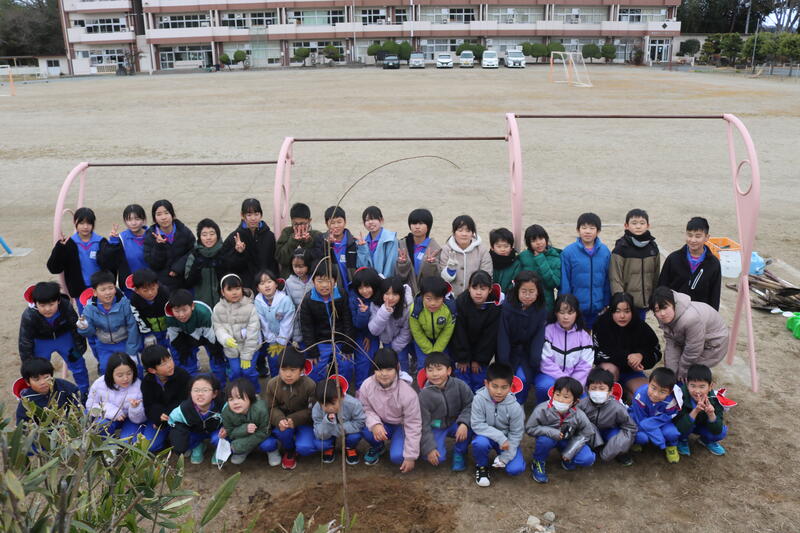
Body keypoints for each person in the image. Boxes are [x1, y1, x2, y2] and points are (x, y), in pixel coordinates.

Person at [19, 281, 89, 396]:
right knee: (39, 371)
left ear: (58, 300)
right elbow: (25, 340)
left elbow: (75, 327)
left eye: (51, 304)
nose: (47, 309)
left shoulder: (66, 306)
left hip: (65, 338)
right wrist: (28, 363)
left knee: (78, 364)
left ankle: (84, 392)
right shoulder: (29, 315)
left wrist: (79, 349)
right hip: (41, 342)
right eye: (42, 306)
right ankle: (45, 396)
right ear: (35, 303)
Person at [358, 348, 421, 472]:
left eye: (389, 369)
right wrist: (375, 424)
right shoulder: (367, 385)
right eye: (379, 369)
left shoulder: (408, 393)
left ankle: (402, 444)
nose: (384, 374)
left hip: (401, 426)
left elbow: (413, 424)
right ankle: (378, 446)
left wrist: (410, 456)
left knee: (398, 457)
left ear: (397, 368)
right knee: (363, 427)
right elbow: (365, 408)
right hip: (382, 423)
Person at [526, 376, 596, 483]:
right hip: (549, 438)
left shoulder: (579, 414)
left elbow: (587, 432)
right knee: (545, 441)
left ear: (576, 401)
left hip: (568, 440)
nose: (560, 399)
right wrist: (551, 432)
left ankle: (566, 458)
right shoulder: (542, 409)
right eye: (557, 394)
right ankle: (538, 461)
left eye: (566, 397)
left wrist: (570, 452)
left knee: (587, 458)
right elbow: (530, 428)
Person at [650, 287, 729, 382]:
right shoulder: (665, 317)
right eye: (657, 310)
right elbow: (672, 344)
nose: (662, 313)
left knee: (691, 373)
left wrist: (684, 370)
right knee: (674, 372)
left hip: (713, 343)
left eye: (665, 307)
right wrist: (671, 373)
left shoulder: (690, 319)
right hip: (690, 339)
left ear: (674, 303)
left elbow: (693, 349)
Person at [593, 292, 661, 396]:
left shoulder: (641, 327)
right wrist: (628, 358)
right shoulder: (601, 325)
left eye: (627, 311)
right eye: (617, 311)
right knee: (610, 373)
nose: (622, 316)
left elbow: (656, 351)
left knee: (644, 395)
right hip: (608, 369)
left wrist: (641, 356)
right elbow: (598, 354)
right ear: (611, 311)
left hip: (631, 372)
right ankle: (612, 395)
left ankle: (624, 391)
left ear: (632, 311)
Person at [47, 207, 114, 311]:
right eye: (81, 223)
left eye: (89, 223)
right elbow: (54, 268)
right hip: (80, 290)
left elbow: (112, 264)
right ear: (75, 223)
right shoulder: (69, 243)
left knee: (105, 314)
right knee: (86, 316)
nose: (85, 227)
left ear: (93, 224)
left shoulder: (101, 242)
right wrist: (60, 248)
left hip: (101, 288)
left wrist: (114, 244)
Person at [470, 362, 526, 487]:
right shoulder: (478, 399)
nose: (499, 392)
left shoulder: (515, 407)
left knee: (516, 469)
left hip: (507, 441)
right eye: (494, 386)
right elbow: (477, 424)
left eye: (504, 387)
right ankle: (482, 466)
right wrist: (500, 437)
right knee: (480, 443)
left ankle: (504, 457)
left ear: (511, 387)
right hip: (487, 436)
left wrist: (505, 457)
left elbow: (516, 433)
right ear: (486, 384)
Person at [496, 270, 547, 405]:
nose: (527, 296)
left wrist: (535, 358)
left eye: (532, 291)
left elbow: (538, 336)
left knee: (523, 378)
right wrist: (503, 360)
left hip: (527, 354)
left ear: (538, 292)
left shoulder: (541, 309)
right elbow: (503, 335)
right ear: (517, 290)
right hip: (510, 352)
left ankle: (521, 404)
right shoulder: (507, 307)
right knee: (511, 378)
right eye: (524, 291)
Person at [263, 346, 317, 470]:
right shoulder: (272, 384)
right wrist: (279, 419)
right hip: (284, 421)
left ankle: (299, 446)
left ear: (301, 370)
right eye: (283, 369)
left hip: (304, 422)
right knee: (282, 432)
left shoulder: (310, 385)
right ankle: (289, 450)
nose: (288, 374)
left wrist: (295, 419)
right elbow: (271, 407)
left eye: (293, 370)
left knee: (305, 448)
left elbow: (312, 410)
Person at [76, 270, 140, 374]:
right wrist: (84, 328)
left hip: (124, 342)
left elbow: (132, 327)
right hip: (104, 345)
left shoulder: (125, 304)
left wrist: (132, 352)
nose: (108, 292)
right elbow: (90, 333)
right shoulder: (89, 309)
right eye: (103, 289)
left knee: (134, 369)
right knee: (106, 371)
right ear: (95, 292)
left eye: (111, 288)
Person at [418, 352, 473, 472]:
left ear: (448, 370)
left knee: (469, 428)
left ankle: (459, 452)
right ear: (425, 373)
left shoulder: (460, 385)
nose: (435, 374)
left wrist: (464, 423)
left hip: (455, 422)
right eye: (430, 370)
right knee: (437, 458)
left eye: (439, 369)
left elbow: (470, 404)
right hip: (436, 425)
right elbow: (423, 424)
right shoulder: (424, 395)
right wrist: (430, 448)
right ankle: (430, 448)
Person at [535, 293, 594, 405]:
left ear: (577, 313)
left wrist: (573, 383)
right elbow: (545, 362)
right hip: (550, 376)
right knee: (544, 386)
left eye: (570, 313)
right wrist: (564, 380)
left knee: (583, 400)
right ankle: (542, 411)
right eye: (561, 312)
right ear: (556, 313)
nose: (566, 317)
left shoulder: (584, 336)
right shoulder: (547, 331)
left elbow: (585, 366)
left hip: (575, 380)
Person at [299, 267, 354, 382]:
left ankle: (342, 389)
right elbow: (307, 328)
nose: (324, 285)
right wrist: (312, 351)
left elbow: (347, 321)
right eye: (319, 281)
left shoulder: (341, 295)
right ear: (313, 281)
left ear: (335, 281)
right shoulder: (308, 299)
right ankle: (319, 390)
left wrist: (348, 345)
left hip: (340, 340)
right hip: (320, 341)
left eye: (328, 280)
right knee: (316, 368)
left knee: (346, 366)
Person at [451, 270, 502, 392]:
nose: (478, 292)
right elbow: (459, 332)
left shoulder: (495, 306)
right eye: (475, 288)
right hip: (463, 350)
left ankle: (479, 402)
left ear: (490, 290)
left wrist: (478, 360)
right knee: (463, 383)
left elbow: (489, 337)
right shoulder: (461, 302)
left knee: (479, 382)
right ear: (469, 288)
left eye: (483, 289)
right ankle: (464, 402)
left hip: (482, 354)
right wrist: (463, 358)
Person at [560, 212, 611, 330]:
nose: (587, 231)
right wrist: (566, 304)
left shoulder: (605, 252)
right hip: (576, 307)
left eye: (592, 228)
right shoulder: (568, 252)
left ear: (598, 231)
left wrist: (606, 302)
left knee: (596, 336)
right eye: (584, 228)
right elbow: (565, 281)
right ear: (578, 230)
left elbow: (607, 280)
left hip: (598, 307)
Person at [658, 216, 721, 310]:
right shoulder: (673, 258)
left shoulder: (713, 264)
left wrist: (712, 315)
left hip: (700, 314)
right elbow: (662, 286)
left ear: (707, 237)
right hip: (675, 312)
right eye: (689, 235)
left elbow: (714, 295)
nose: (693, 240)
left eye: (698, 236)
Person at [165, 289, 227, 383]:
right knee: (185, 359)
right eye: (177, 311)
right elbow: (174, 338)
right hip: (184, 335)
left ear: (192, 306)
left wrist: (215, 351)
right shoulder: (170, 318)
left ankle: (219, 384)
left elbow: (212, 337)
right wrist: (183, 351)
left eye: (184, 310)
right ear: (172, 309)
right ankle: (191, 383)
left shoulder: (204, 313)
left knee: (216, 358)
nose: (181, 315)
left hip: (206, 334)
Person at [578, 368, 637, 466]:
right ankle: (593, 449)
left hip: (609, 430)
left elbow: (630, 427)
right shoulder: (581, 404)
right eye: (593, 388)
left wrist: (618, 445)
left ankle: (619, 453)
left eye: (602, 389)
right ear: (587, 389)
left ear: (610, 391)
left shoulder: (617, 407)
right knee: (585, 428)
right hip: (590, 433)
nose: (597, 392)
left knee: (617, 437)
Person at [212, 274, 261, 390]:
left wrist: (247, 355)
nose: (234, 293)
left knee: (248, 372)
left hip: (250, 347)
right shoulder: (218, 309)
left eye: (237, 288)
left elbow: (253, 334)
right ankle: (235, 393)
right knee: (235, 372)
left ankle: (254, 392)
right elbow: (218, 327)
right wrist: (225, 339)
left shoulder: (250, 307)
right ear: (222, 292)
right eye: (230, 289)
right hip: (231, 348)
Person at [610, 209, 661, 320]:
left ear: (648, 225)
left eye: (642, 223)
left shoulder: (653, 248)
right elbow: (615, 278)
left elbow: (656, 276)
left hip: (645, 303)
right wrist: (621, 302)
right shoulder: (621, 249)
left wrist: (653, 297)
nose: (638, 226)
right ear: (626, 225)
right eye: (634, 223)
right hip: (627, 304)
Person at [303, 377, 366, 464]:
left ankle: (349, 447)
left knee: (355, 436)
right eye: (325, 404)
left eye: (333, 403)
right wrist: (327, 422)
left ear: (342, 397)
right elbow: (319, 433)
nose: (330, 408)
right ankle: (330, 446)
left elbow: (359, 423)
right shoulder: (317, 408)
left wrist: (337, 429)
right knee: (320, 443)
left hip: (348, 430)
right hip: (328, 432)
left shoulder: (354, 404)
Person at [140, 344, 191, 452]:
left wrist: (166, 414)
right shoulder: (147, 382)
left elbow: (184, 400)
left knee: (180, 446)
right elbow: (149, 405)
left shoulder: (182, 375)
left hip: (179, 417)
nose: (169, 365)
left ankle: (174, 435)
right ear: (152, 370)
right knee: (151, 446)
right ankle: (166, 435)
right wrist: (158, 416)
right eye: (163, 364)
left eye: (170, 359)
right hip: (160, 418)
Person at [86, 352, 146, 441]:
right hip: (109, 417)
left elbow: (140, 419)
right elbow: (90, 405)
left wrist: (135, 408)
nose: (125, 378)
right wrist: (114, 413)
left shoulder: (138, 386)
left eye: (129, 373)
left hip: (130, 419)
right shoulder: (99, 384)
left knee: (128, 441)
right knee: (101, 425)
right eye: (120, 375)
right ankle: (109, 444)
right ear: (111, 374)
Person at [222, 198, 278, 291]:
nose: (253, 218)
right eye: (249, 215)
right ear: (242, 215)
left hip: (266, 286)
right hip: (245, 288)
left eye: (256, 214)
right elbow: (228, 266)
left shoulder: (269, 236)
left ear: (261, 215)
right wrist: (239, 253)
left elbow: (273, 263)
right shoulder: (234, 238)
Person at [218, 377, 276, 465]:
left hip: (263, 436)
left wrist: (240, 445)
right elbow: (230, 432)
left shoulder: (261, 409)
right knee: (224, 440)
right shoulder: (226, 412)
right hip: (242, 437)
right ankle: (245, 451)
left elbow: (266, 431)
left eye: (239, 398)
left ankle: (272, 451)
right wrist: (244, 429)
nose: (235, 402)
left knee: (269, 444)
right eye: (231, 399)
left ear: (250, 397)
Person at [674, 364, 728, 457]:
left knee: (721, 432)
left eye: (702, 386)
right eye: (693, 386)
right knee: (680, 429)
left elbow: (717, 430)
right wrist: (695, 411)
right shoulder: (679, 397)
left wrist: (711, 414)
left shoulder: (716, 399)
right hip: (687, 426)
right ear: (687, 383)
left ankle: (706, 441)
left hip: (702, 426)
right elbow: (678, 428)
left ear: (710, 386)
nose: (697, 391)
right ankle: (682, 440)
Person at [629, 367, 681, 463]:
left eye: (663, 391)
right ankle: (636, 442)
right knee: (641, 437)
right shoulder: (640, 395)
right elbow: (640, 419)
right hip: (640, 420)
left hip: (661, 422)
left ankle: (671, 446)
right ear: (648, 383)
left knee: (672, 433)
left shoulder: (672, 401)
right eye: (653, 388)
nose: (656, 394)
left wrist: (654, 427)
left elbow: (668, 417)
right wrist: (658, 437)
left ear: (669, 392)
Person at [168, 374, 224, 463]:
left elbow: (233, 420)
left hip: (216, 431)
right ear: (190, 393)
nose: (200, 394)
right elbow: (172, 421)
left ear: (214, 393)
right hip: (196, 432)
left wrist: (226, 428)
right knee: (182, 438)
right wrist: (180, 435)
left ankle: (220, 452)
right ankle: (197, 446)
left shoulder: (223, 406)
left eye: (205, 390)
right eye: (196, 390)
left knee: (220, 437)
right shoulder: (183, 409)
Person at [142, 199, 195, 293]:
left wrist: (179, 267)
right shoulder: (150, 236)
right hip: (163, 286)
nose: (163, 217)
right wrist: (159, 246)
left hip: (184, 282)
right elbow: (153, 264)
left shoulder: (184, 231)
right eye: (159, 214)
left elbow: (194, 250)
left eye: (166, 213)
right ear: (154, 218)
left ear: (172, 215)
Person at [368, 276, 413, 379]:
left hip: (401, 341)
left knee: (402, 361)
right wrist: (384, 312)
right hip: (386, 340)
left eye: (395, 294)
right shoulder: (376, 305)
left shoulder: (407, 305)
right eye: (387, 294)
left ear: (401, 295)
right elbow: (374, 331)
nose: (391, 298)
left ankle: (404, 383)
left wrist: (395, 347)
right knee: (389, 365)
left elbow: (406, 331)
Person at [409, 275, 456, 373]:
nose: (433, 303)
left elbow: (447, 332)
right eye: (428, 299)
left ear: (443, 297)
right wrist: (429, 351)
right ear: (422, 296)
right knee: (423, 365)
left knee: (442, 364)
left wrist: (436, 351)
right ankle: (425, 382)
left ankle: (445, 382)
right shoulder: (415, 310)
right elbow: (417, 332)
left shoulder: (450, 309)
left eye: (437, 299)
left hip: (441, 340)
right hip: (423, 340)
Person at [15, 357, 82, 425]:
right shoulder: (27, 401)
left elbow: (78, 399)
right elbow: (22, 425)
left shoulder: (63, 386)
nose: (43, 382)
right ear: (27, 382)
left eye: (46, 377)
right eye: (37, 379)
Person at [254, 269, 295, 378]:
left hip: (286, 339)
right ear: (258, 288)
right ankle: (275, 383)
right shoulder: (258, 302)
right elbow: (263, 323)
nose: (266, 285)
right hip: (270, 340)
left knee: (286, 362)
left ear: (276, 284)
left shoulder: (285, 300)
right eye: (262, 283)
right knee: (273, 360)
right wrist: (272, 340)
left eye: (269, 281)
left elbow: (287, 323)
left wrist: (282, 341)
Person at [439, 215, 493, 297]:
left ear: (473, 233)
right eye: (460, 230)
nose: (464, 234)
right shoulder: (446, 250)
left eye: (468, 231)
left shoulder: (482, 251)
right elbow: (442, 279)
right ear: (454, 232)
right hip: (451, 297)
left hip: (474, 298)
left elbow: (487, 277)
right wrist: (450, 271)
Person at [185, 218, 231, 308]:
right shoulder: (194, 255)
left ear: (217, 235)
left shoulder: (224, 252)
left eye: (212, 234)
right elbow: (188, 282)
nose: (208, 238)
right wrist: (197, 267)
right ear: (199, 237)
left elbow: (231, 279)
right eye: (204, 235)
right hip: (201, 304)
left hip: (224, 303)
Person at [395, 208, 441, 295]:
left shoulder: (435, 249)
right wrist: (402, 264)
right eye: (414, 223)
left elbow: (434, 277)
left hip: (426, 294)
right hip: (406, 294)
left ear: (428, 226)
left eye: (421, 223)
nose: (417, 227)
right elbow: (400, 276)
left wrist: (430, 265)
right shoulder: (402, 245)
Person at [348, 267, 382, 381]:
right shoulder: (354, 299)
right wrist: (363, 313)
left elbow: (380, 320)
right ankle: (361, 387)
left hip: (373, 333)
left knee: (373, 358)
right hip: (359, 333)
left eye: (367, 286)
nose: (364, 291)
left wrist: (370, 335)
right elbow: (357, 324)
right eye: (360, 287)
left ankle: (373, 383)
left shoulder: (379, 295)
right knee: (363, 360)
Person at [107, 204, 149, 296]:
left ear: (144, 220)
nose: (133, 223)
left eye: (137, 219)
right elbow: (112, 261)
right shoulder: (121, 239)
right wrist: (113, 242)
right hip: (131, 288)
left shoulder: (153, 235)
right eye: (129, 220)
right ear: (125, 222)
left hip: (152, 284)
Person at [518, 224, 561, 312]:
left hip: (546, 305)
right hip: (526, 305)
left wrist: (541, 259)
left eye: (541, 238)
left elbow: (553, 283)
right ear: (529, 243)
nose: (538, 242)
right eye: (534, 240)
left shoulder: (555, 257)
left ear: (546, 238)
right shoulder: (523, 256)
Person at [275, 202, 324, 279]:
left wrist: (308, 242)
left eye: (302, 223)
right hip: (289, 279)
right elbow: (281, 258)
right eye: (296, 224)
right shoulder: (286, 232)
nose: (299, 227)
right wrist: (293, 241)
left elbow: (317, 260)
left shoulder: (316, 235)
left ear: (309, 220)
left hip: (310, 279)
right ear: (291, 221)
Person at [128, 268, 171, 353]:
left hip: (167, 329)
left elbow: (172, 312)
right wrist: (148, 334)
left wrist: (171, 328)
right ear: (136, 290)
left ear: (157, 285)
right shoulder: (135, 300)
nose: (150, 293)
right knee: (155, 353)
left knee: (172, 351)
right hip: (151, 331)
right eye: (145, 290)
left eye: (153, 288)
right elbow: (138, 317)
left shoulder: (165, 293)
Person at [322, 205, 358, 292]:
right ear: (326, 224)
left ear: (345, 222)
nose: (336, 226)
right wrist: (327, 245)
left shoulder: (353, 243)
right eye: (332, 223)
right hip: (333, 291)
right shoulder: (322, 242)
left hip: (353, 290)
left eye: (339, 222)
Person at [356, 205, 398, 278]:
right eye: (367, 220)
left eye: (373, 218)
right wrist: (362, 248)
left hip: (386, 282)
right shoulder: (363, 242)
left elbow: (391, 265)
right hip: (369, 283)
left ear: (381, 220)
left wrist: (384, 281)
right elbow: (361, 267)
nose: (370, 222)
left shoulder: (390, 239)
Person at [285, 249, 314, 346]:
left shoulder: (315, 280)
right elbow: (292, 310)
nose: (298, 270)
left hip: (315, 322)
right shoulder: (289, 282)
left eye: (301, 266)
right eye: (295, 266)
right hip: (299, 323)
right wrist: (296, 337)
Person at [488, 228, 521, 292]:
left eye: (506, 246)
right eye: (499, 246)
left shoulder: (516, 264)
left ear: (511, 248)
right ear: (492, 248)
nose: (503, 249)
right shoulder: (487, 261)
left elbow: (515, 283)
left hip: (509, 296)